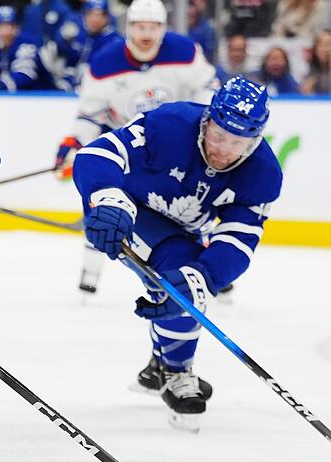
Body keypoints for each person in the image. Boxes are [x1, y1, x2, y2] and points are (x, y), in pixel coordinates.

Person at [72, 76, 282, 430]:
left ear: (255, 141)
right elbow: (99, 154)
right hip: (126, 207)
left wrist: (205, 277)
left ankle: (161, 366)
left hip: (181, 229)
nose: (222, 149)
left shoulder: (262, 173)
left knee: (187, 283)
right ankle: (175, 370)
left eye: (237, 143)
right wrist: (107, 196)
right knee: (179, 270)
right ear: (207, 121)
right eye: (218, 135)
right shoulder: (169, 124)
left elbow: (238, 238)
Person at [54, 0, 217, 295]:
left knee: (190, 207)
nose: (146, 35)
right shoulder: (104, 63)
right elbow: (91, 114)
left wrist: (201, 123)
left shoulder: (185, 52)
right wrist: (75, 141)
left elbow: (209, 87)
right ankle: (90, 271)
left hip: (178, 147)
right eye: (140, 27)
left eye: (153, 28)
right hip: (128, 149)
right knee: (103, 201)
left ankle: (209, 267)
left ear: (163, 29)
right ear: (129, 28)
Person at [0, 5, 62, 91]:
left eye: (10, 26)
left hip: (41, 96)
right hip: (11, 97)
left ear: (17, 28)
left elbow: (24, 75)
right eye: (1, 26)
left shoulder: (26, 44)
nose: (6, 31)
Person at [53, 0, 122, 87]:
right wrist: (64, 41)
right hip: (73, 82)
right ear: (84, 16)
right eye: (90, 14)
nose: (95, 20)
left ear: (107, 18)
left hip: (99, 84)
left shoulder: (114, 41)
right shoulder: (79, 34)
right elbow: (69, 60)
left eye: (100, 15)